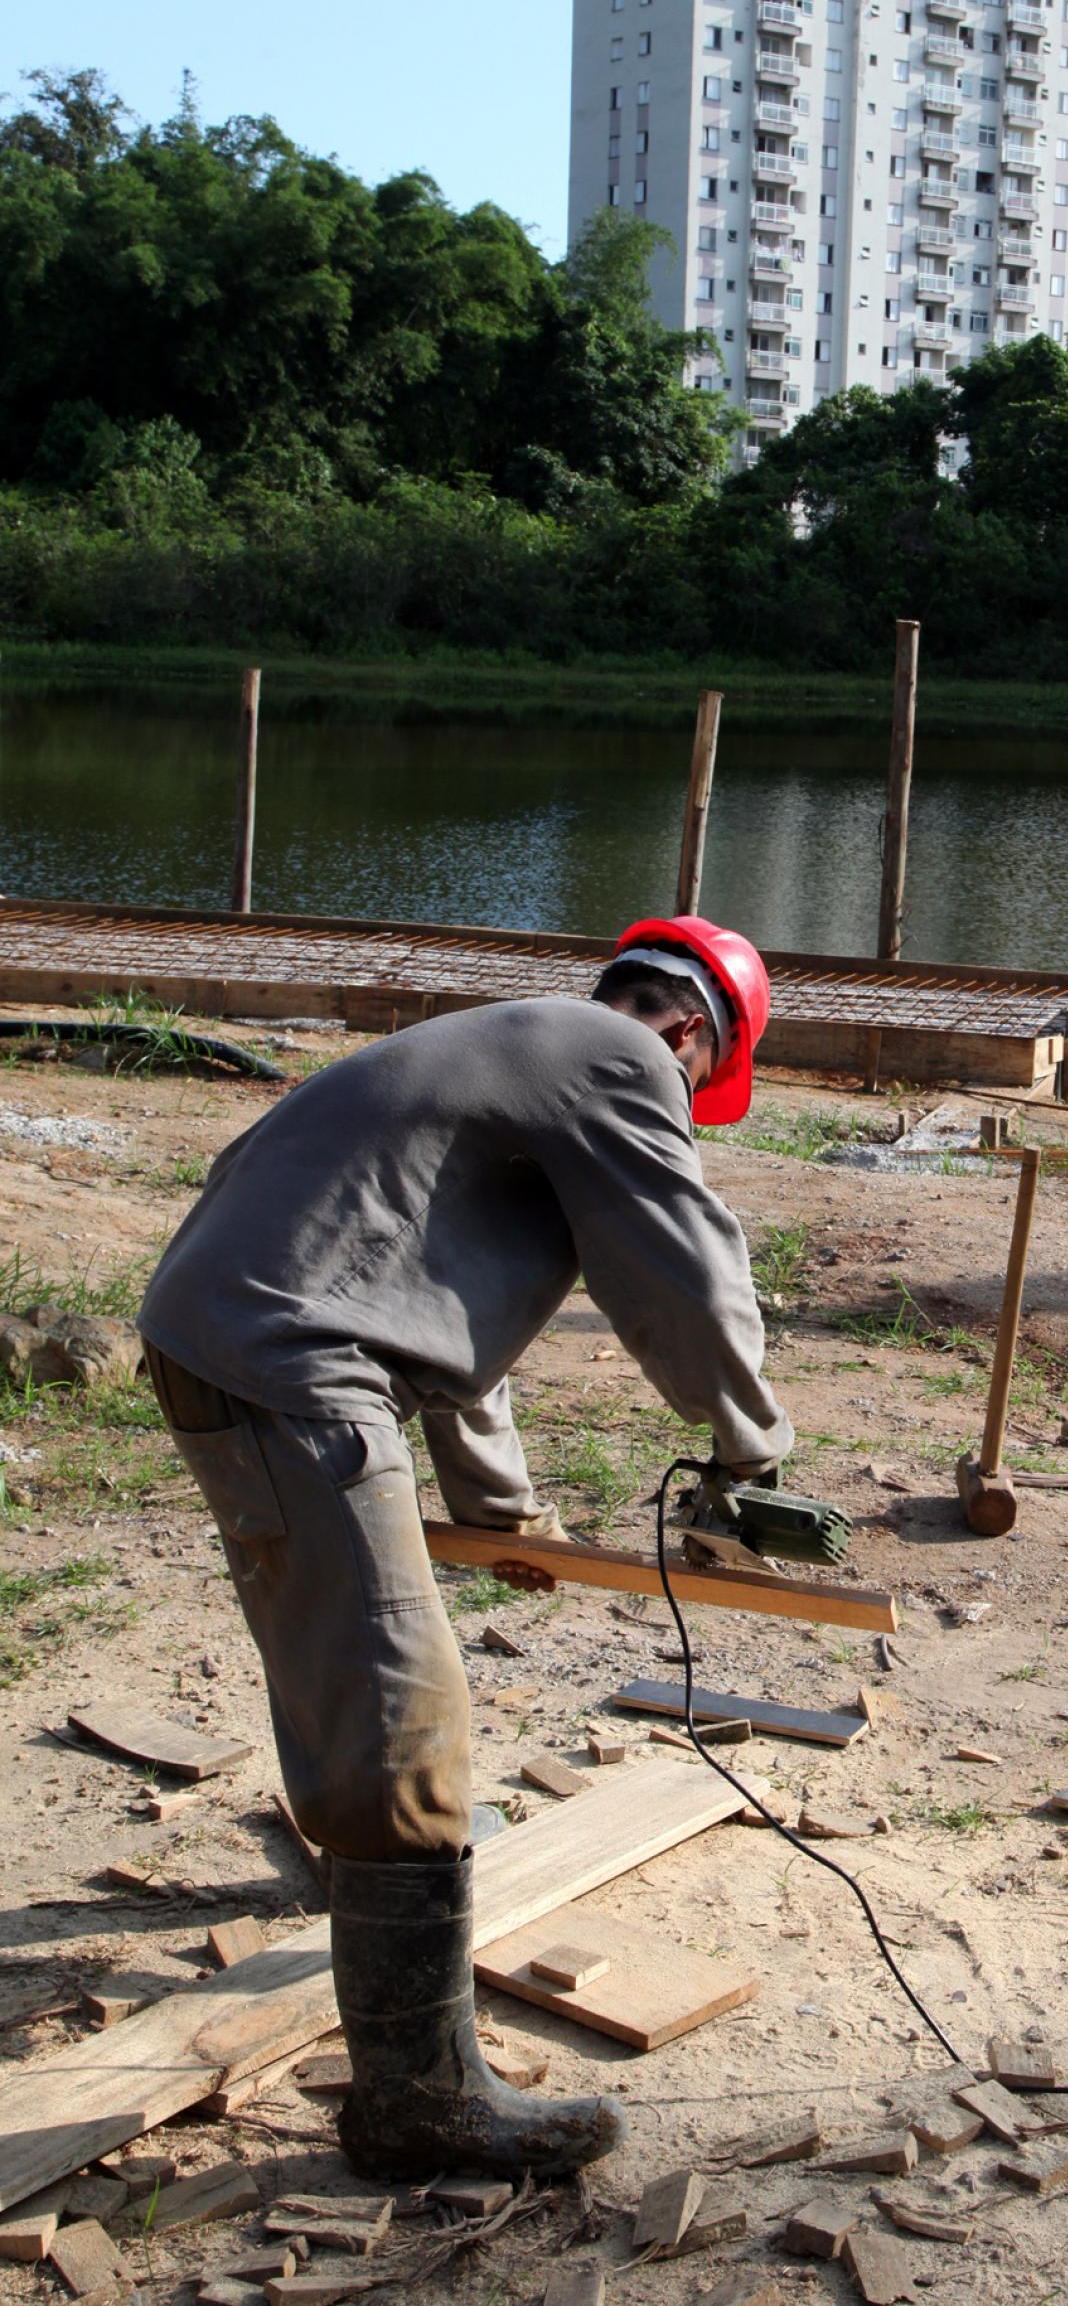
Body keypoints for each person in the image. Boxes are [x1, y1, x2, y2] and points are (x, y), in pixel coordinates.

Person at [137, 915, 787, 2182]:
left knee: (349, 1652)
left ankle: (388, 1975)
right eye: (698, 1085)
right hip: (290, 1360)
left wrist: (498, 1516)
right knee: (401, 1710)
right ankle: (419, 2104)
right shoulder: (619, 1055)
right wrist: (749, 1454)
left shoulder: (507, 1053)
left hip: (232, 1329)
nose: (684, 1102)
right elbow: (691, 1273)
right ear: (693, 1035)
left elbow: (432, 1307)